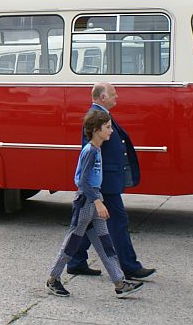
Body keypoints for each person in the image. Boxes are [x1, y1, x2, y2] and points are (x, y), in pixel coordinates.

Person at [46, 110, 144, 298]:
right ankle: (53, 279)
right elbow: (82, 181)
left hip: (93, 199)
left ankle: (119, 282)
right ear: (97, 130)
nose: (111, 131)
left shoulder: (97, 149)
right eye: (107, 128)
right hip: (86, 202)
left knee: (105, 243)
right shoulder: (90, 151)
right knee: (72, 243)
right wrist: (98, 202)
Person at [67, 82, 156, 280]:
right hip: (104, 182)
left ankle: (75, 261)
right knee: (118, 222)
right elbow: (90, 150)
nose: (117, 97)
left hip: (106, 180)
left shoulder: (101, 114)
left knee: (88, 223)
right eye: (114, 94)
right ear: (102, 97)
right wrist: (94, 190)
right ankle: (129, 266)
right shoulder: (96, 117)